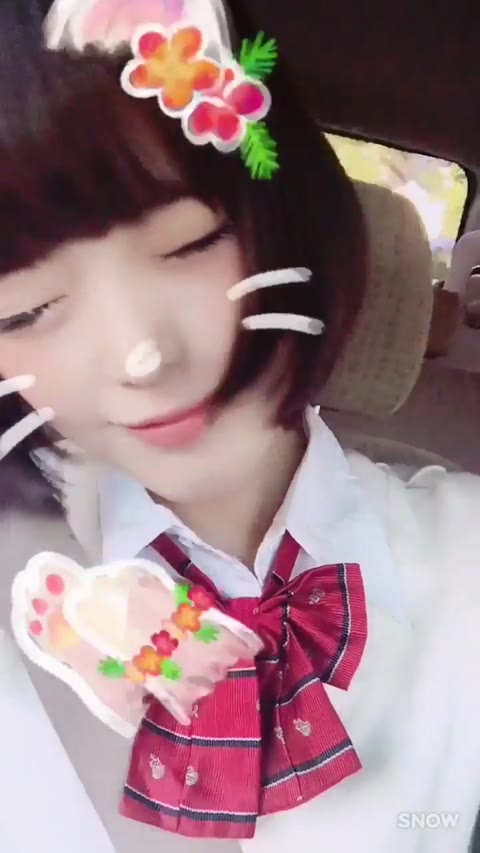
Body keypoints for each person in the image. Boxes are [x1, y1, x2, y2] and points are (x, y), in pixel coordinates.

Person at [0, 2, 479, 853]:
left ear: (290, 218)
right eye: (28, 310)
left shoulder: (467, 560)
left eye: (190, 244)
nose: (142, 354)